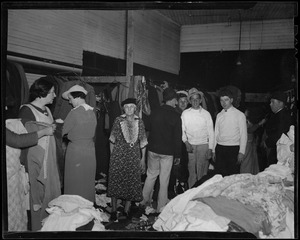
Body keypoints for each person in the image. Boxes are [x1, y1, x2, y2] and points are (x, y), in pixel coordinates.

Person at [18, 76, 61, 231]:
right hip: (35, 158)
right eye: (52, 92)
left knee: (49, 194)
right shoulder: (26, 111)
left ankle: (49, 227)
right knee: (38, 197)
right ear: (42, 93)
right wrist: (45, 131)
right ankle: (38, 229)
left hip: (49, 157)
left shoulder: (48, 109)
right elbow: (23, 138)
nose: (55, 96)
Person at [6, 117, 55, 232]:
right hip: (10, 173)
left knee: (16, 208)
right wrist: (44, 132)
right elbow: (17, 140)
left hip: (14, 172)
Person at [140, 87, 182, 213]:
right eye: (176, 100)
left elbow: (148, 127)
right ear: (173, 99)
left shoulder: (155, 112)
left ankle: (143, 201)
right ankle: (160, 207)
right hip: (167, 152)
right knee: (164, 180)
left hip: (153, 149)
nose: (176, 103)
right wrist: (178, 155)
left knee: (151, 175)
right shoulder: (176, 116)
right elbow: (177, 138)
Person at [107, 98, 148, 221]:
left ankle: (126, 209)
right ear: (123, 108)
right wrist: (112, 156)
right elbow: (112, 139)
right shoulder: (118, 120)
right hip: (118, 155)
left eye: (131, 107)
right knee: (116, 181)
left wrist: (142, 159)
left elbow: (143, 142)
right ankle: (114, 210)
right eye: (126, 107)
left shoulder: (139, 121)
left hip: (134, 156)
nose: (129, 109)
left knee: (131, 181)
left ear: (135, 108)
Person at [61, 84, 97, 203]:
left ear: (76, 97)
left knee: (75, 184)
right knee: (87, 182)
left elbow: (62, 131)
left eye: (70, 99)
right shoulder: (92, 112)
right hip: (90, 152)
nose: (70, 103)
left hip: (76, 152)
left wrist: (58, 124)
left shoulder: (74, 113)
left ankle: (74, 213)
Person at [181, 87, 214, 188]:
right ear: (190, 101)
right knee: (191, 172)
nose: (195, 101)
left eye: (197, 99)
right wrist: (186, 142)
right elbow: (182, 131)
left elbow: (211, 132)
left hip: (203, 146)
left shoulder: (206, 114)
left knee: (202, 172)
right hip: (190, 146)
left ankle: (201, 192)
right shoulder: (185, 114)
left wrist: (210, 149)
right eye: (192, 99)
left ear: (200, 100)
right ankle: (191, 193)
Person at [212, 87, 247, 176]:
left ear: (231, 100)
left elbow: (243, 135)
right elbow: (216, 133)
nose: (224, 103)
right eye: (221, 100)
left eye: (226, 100)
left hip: (233, 149)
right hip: (220, 149)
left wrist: (241, 152)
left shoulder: (240, 115)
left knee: (232, 176)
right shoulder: (219, 115)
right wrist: (213, 150)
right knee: (219, 175)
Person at [261, 91, 292, 168]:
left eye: (272, 102)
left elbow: (280, 133)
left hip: (277, 149)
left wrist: (267, 142)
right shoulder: (276, 114)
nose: (270, 104)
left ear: (280, 103)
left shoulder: (283, 116)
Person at [240, 108, 262, 175]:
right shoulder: (243, 121)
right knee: (246, 163)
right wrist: (259, 124)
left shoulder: (248, 120)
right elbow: (249, 130)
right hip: (246, 144)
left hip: (250, 143)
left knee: (251, 162)